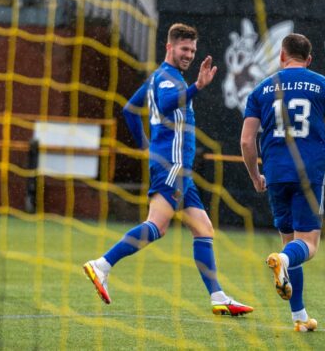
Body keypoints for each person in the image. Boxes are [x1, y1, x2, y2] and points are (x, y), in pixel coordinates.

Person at [83, 23, 253, 317]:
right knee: (157, 226)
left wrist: (145, 146)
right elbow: (163, 105)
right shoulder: (167, 79)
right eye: (184, 49)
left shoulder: (157, 78)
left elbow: (129, 110)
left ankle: (218, 296)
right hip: (173, 166)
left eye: (192, 50)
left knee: (203, 228)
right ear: (169, 47)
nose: (189, 55)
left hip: (176, 167)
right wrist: (197, 87)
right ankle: (102, 264)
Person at [240, 33, 325, 331]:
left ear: (281, 56)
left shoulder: (261, 89)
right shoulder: (323, 86)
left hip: (275, 174)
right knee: (308, 245)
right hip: (308, 174)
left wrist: (255, 175)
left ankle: (299, 318)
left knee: (289, 243)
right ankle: (283, 262)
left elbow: (247, 141)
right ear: (309, 59)